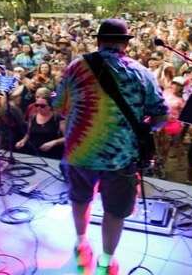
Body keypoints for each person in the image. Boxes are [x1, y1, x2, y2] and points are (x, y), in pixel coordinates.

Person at [53, 18, 168, 274]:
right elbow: (162, 115)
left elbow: (57, 104)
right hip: (121, 156)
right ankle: (107, 260)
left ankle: (81, 243)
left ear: (98, 41)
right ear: (125, 44)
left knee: (80, 198)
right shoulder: (141, 72)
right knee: (115, 210)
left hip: (80, 151)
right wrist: (143, 128)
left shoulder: (75, 67)